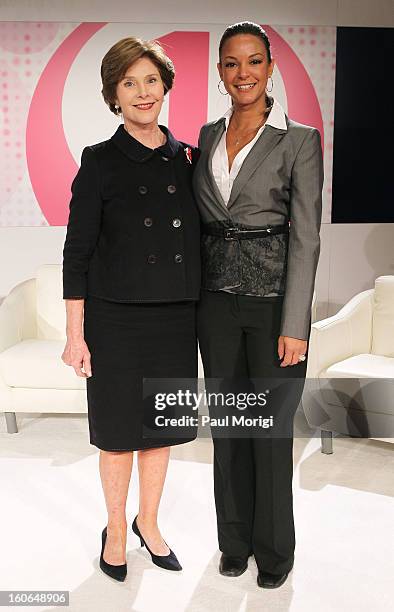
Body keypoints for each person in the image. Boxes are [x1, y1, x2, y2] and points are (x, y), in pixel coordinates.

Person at [61, 37, 200, 582]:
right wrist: (77, 336)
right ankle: (116, 529)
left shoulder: (188, 158)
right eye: (129, 83)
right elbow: (77, 253)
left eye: (151, 80)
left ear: (165, 85)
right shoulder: (98, 162)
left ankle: (150, 522)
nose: (143, 92)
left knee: (160, 430)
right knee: (119, 434)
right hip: (115, 319)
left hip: (174, 316)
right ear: (113, 95)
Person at [193, 21, 323, 589]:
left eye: (252, 62)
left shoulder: (299, 139)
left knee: (269, 435)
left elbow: (305, 237)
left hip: (274, 310)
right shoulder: (205, 136)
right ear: (220, 74)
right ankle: (234, 542)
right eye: (230, 64)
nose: (242, 73)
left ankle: (274, 554)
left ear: (271, 68)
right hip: (216, 306)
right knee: (228, 431)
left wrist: (296, 323)